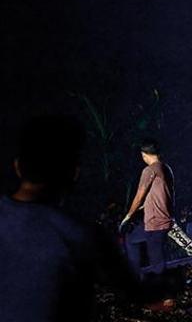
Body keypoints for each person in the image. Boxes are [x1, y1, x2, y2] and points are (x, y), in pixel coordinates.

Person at [0, 115, 165, 320]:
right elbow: (135, 291)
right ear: (74, 173)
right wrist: (170, 284)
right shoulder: (83, 235)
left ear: (17, 166)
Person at [121, 139, 175, 277]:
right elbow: (158, 194)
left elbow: (139, 196)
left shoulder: (149, 170)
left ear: (144, 154)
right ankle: (138, 278)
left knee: (156, 260)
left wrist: (128, 216)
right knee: (131, 238)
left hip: (155, 222)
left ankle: (165, 294)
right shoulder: (166, 168)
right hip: (162, 219)